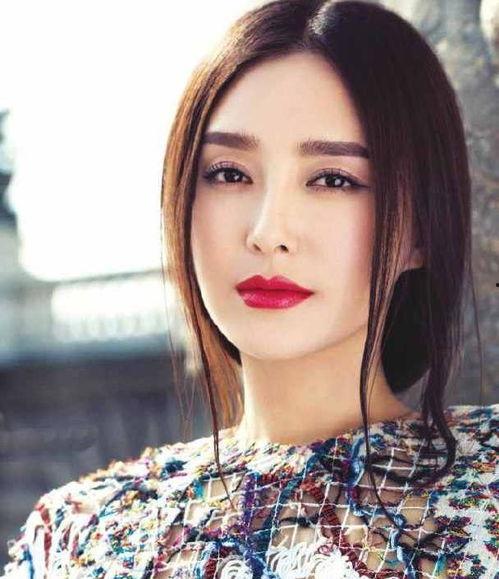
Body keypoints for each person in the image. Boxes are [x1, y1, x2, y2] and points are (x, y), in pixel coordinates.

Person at [2, 0, 498, 577]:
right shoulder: (77, 534)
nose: (267, 232)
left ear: (422, 229)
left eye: (333, 179)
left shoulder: (486, 490)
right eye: (230, 174)